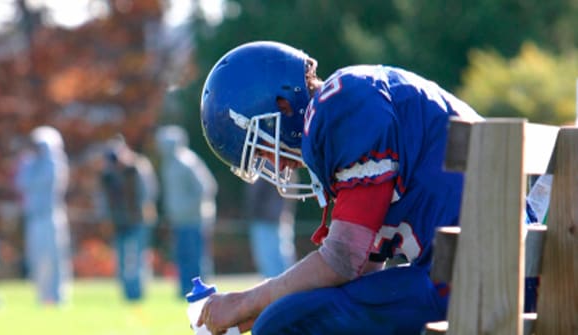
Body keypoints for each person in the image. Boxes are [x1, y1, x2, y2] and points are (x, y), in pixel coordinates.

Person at [196, 41, 538, 335]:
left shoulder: (341, 108)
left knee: (283, 323)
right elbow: (360, 271)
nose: (277, 165)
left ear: (282, 104)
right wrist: (269, 301)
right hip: (494, 270)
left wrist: (246, 301)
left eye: (261, 147)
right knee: (291, 311)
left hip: (481, 282)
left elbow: (343, 260)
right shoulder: (353, 98)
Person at [155, 125, 218, 297]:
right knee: (182, 257)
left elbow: (206, 187)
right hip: (178, 220)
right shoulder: (168, 164)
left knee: (196, 258)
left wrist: (187, 208)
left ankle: (202, 292)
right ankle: (185, 290)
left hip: (194, 219)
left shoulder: (187, 161)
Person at [14, 126, 72, 305]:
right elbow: (21, 183)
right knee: (37, 258)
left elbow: (48, 180)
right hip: (34, 218)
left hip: (52, 216)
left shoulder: (55, 162)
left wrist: (38, 162)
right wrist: (28, 163)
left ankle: (58, 296)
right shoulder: (29, 163)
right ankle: (42, 296)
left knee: (55, 258)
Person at [99, 134, 158, 302]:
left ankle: (138, 294)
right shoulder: (108, 174)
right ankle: (127, 295)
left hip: (138, 219)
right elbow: (103, 198)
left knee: (138, 258)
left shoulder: (138, 167)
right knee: (122, 260)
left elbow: (149, 192)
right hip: (119, 222)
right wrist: (106, 218)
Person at [243, 175, 296, 278]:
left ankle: (281, 291)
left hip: (267, 219)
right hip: (274, 218)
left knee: (272, 263)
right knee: (280, 260)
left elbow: (255, 194)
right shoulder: (280, 166)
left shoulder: (267, 166)